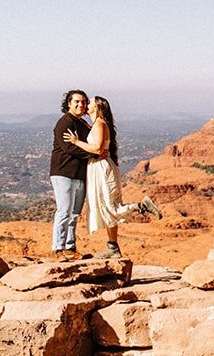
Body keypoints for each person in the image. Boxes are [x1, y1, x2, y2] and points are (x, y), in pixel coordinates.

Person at [64, 95, 162, 259]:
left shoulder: (100, 124)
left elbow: (97, 149)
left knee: (111, 206)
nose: (87, 104)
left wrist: (76, 142)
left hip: (102, 169)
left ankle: (141, 206)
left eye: (90, 103)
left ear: (98, 107)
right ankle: (113, 247)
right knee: (106, 207)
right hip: (98, 168)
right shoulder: (96, 124)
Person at [49, 89, 92, 260]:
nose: (81, 105)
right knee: (64, 211)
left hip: (79, 174)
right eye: (77, 102)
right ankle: (57, 248)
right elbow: (69, 148)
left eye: (83, 102)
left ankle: (70, 247)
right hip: (63, 172)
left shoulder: (82, 124)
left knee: (74, 213)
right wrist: (93, 154)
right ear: (69, 103)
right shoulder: (64, 123)